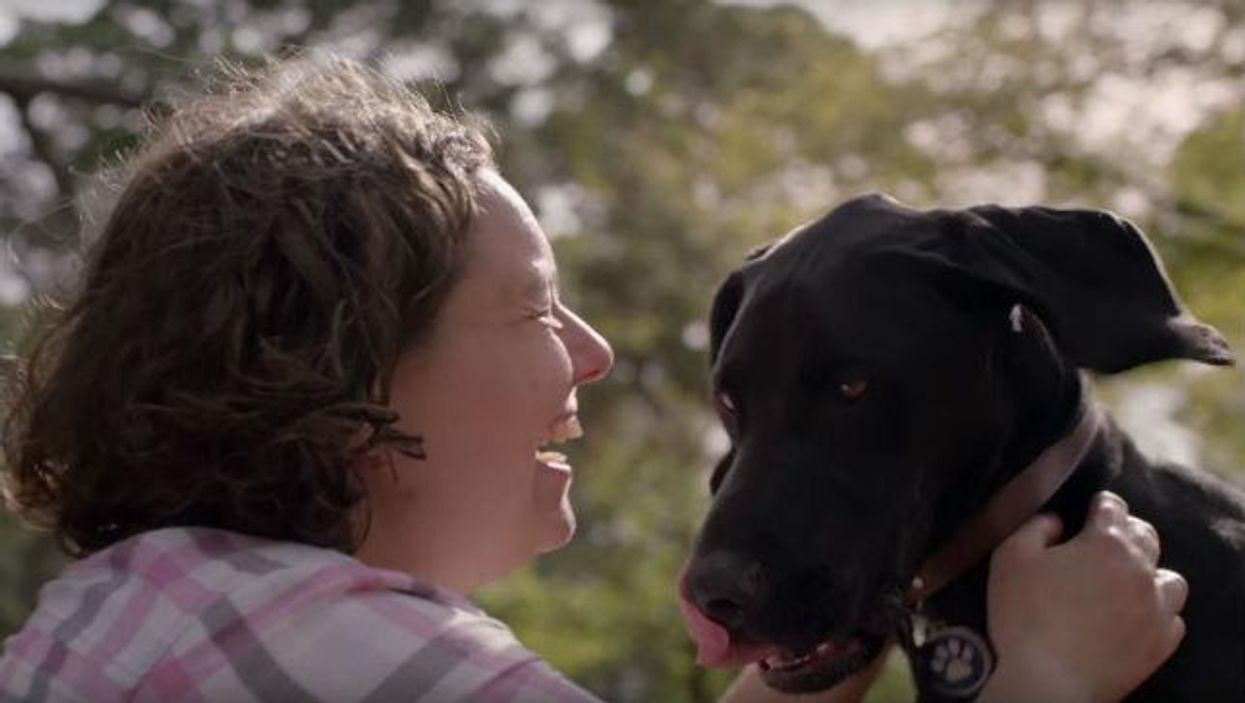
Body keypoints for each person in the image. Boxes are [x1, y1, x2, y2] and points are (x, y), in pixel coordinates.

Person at [0, 54, 1185, 702]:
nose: (594, 352)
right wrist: (1051, 684)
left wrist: (805, 645)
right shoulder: (352, 653)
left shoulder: (139, 610)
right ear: (341, 381)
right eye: (533, 308)